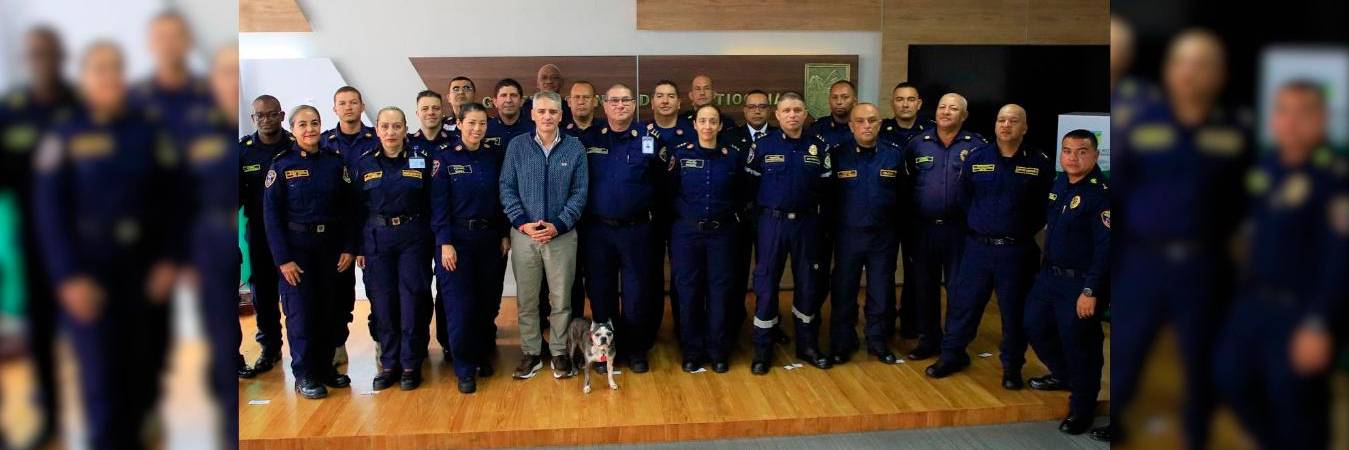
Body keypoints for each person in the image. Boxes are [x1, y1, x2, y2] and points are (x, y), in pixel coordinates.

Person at [33, 41, 184, 448]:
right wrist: (68, 277)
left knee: (141, 373)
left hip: (142, 268)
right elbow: (49, 215)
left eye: (116, 69)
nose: (109, 78)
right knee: (101, 381)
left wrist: (169, 260)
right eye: (99, 70)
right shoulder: (64, 137)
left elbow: (172, 200)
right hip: (90, 269)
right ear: (84, 78)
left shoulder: (148, 132)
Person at [1109, 29, 1248, 445]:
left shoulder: (1235, 131)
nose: (1192, 73)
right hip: (1143, 263)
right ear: (1169, 71)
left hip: (1205, 264)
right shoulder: (1141, 125)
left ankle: (1197, 433)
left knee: (1203, 359)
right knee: (1126, 355)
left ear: (1220, 75)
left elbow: (1244, 201)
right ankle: (1112, 427)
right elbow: (1120, 195)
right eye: (1183, 63)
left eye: (1203, 64)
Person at [1210, 81, 1343, 449]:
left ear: (1322, 119)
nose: (1291, 121)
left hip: (1301, 310)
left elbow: (1339, 261)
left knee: (1297, 402)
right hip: (1252, 303)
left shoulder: (1334, 178)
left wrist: (1319, 323)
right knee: (1229, 376)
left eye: (1304, 112)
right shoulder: (1265, 168)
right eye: (1283, 110)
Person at [926, 104, 1054, 389]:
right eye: (1001, 120)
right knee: (963, 305)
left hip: (1017, 251)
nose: (1006, 125)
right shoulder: (976, 157)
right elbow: (963, 198)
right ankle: (951, 355)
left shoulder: (1038, 162)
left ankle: (1012, 367)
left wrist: (1017, 229)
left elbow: (1045, 207)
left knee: (1014, 312)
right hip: (978, 248)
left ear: (1025, 127)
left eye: (1013, 121)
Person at [0, 25, 76, 448]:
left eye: (49, 52)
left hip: (85, 244)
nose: (42, 61)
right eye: (34, 54)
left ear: (60, 56)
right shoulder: (11, 109)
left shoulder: (82, 106)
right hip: (33, 244)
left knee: (98, 334)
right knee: (42, 334)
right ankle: (50, 416)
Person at [263, 104, 357, 399]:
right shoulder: (281, 165)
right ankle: (305, 374)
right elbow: (271, 216)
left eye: (314, 123)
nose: (310, 129)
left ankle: (326, 368)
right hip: (297, 252)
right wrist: (283, 259)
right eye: (303, 124)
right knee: (301, 314)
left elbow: (349, 209)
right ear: (292, 129)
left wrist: (348, 247)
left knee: (329, 311)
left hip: (330, 249)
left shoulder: (334, 162)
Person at [1023, 129, 1111, 436]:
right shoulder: (1060, 182)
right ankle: (1062, 375)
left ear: (1095, 155)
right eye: (1068, 151)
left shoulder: (1100, 195)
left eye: (1082, 151)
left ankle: (1082, 409)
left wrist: (1091, 291)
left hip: (1080, 285)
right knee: (1034, 325)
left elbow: (1106, 250)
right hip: (1050, 276)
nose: (1073, 157)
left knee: (1081, 348)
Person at [579, 83, 670, 373]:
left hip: (637, 231)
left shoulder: (649, 140)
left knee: (637, 293)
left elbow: (663, 184)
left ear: (634, 105)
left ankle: (636, 349)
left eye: (626, 101)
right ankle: (604, 352)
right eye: (614, 101)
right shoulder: (590, 139)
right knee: (601, 292)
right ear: (603, 106)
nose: (620, 105)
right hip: (598, 232)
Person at [499, 90, 588, 380]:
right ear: (532, 114)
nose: (547, 117)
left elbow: (580, 192)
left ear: (561, 115)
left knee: (561, 299)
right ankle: (532, 353)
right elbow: (506, 188)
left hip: (561, 236)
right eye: (542, 112)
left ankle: (560, 352)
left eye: (553, 112)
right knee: (527, 299)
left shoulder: (574, 148)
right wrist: (522, 223)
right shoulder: (517, 146)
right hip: (524, 235)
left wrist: (559, 224)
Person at [185, 44, 248, 447]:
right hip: (193, 240)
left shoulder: (236, 145)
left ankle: (229, 365)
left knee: (226, 310)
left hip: (226, 241)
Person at [744, 92, 833, 374]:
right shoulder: (762, 145)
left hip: (808, 225)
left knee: (809, 284)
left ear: (805, 114)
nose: (793, 115)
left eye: (797, 110)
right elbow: (747, 187)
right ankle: (763, 349)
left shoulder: (819, 146)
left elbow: (828, 189)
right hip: (772, 224)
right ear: (777, 115)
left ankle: (807, 345)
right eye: (787, 110)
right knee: (766, 286)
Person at [353, 107, 434, 391]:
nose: (391, 132)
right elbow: (355, 209)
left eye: (396, 126)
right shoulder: (363, 163)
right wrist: (358, 246)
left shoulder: (421, 159)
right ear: (377, 130)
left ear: (405, 128)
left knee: (413, 301)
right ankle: (389, 364)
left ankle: (411, 362)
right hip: (377, 239)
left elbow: (432, 201)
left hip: (414, 237)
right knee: (383, 303)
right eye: (385, 127)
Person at [432, 102, 509, 393]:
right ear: (460, 124)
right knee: (460, 306)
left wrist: (504, 233)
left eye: (482, 124)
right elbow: (438, 205)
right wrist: (445, 242)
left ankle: (479, 355)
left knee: (486, 303)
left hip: (489, 239)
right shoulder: (445, 158)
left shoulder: (493, 157)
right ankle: (464, 367)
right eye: (471, 123)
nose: (477, 129)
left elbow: (502, 199)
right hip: (457, 242)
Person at [902, 92, 985, 362]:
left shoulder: (977, 146)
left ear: (964, 115)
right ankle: (928, 340)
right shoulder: (917, 144)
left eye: (953, 108)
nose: (946, 112)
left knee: (959, 289)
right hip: (923, 228)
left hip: (960, 231)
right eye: (942, 107)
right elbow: (906, 185)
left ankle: (955, 345)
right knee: (924, 288)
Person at [668, 104, 747, 373]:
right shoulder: (680, 155)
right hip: (687, 233)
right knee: (688, 292)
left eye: (713, 121)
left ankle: (718, 351)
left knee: (720, 292)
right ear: (695, 124)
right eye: (703, 120)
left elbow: (743, 193)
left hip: (722, 234)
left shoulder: (733, 156)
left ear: (720, 126)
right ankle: (692, 351)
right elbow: (669, 192)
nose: (708, 126)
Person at [826, 103, 906, 364]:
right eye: (860, 121)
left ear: (880, 124)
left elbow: (905, 194)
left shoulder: (895, 155)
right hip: (848, 235)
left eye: (872, 120)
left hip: (883, 235)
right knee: (844, 290)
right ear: (851, 126)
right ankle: (842, 342)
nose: (866, 125)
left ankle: (878, 341)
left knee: (881, 290)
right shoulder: (838, 155)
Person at [322, 85, 379, 368]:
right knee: (339, 294)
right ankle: (336, 344)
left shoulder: (377, 138)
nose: (348, 107)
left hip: (372, 224)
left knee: (377, 292)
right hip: (337, 229)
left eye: (353, 102)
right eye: (342, 103)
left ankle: (383, 344)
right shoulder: (322, 142)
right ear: (335, 109)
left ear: (361, 105)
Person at [239, 94, 292, 375]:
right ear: (253, 119)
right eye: (260, 115)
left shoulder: (297, 146)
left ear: (282, 116)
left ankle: (306, 350)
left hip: (294, 231)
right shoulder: (242, 151)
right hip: (259, 232)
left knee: (300, 293)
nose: (266, 119)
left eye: (272, 114)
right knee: (264, 292)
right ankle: (270, 347)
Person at [407, 90, 459, 363]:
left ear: (443, 111)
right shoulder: (407, 145)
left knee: (447, 287)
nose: (431, 112)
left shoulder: (455, 143)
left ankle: (449, 342)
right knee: (417, 287)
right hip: (414, 228)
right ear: (417, 113)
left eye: (435, 108)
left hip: (447, 227)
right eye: (425, 108)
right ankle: (418, 345)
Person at [881, 81, 934, 343]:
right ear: (893, 102)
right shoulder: (881, 131)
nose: (905, 104)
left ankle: (913, 323)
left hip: (918, 214)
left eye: (910, 99)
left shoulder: (931, 134)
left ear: (919, 103)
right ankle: (885, 321)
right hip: (888, 213)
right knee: (885, 269)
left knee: (917, 271)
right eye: (900, 99)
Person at [486, 78, 534, 148]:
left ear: (521, 101)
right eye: (503, 95)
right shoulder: (485, 129)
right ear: (495, 102)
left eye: (513, 95)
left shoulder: (534, 130)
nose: (508, 100)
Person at [810, 80, 857, 146]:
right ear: (829, 101)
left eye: (845, 97)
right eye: (834, 97)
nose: (839, 102)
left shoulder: (862, 127)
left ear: (854, 101)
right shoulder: (817, 128)